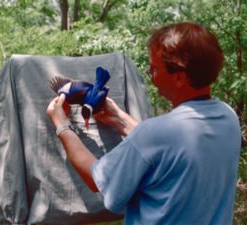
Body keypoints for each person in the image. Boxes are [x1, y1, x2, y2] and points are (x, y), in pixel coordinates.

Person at [46, 22, 241, 225]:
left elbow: (97, 179)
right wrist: (119, 119)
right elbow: (167, 150)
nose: (151, 75)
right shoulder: (227, 117)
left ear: (179, 76)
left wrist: (62, 124)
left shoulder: (155, 134)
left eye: (154, 69)